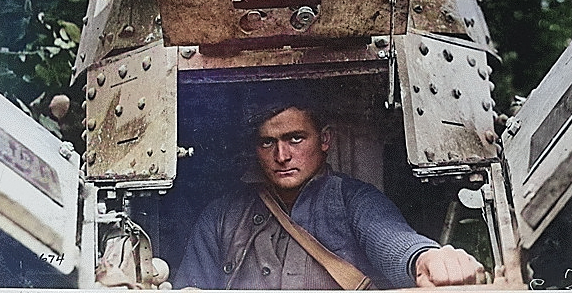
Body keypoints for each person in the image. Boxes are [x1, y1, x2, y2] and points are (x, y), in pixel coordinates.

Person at [175, 104, 487, 289]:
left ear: (324, 140)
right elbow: (191, 286)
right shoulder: (222, 216)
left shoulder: (353, 200)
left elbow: (395, 241)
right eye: (267, 143)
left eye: (295, 138)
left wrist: (428, 259)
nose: (282, 155)